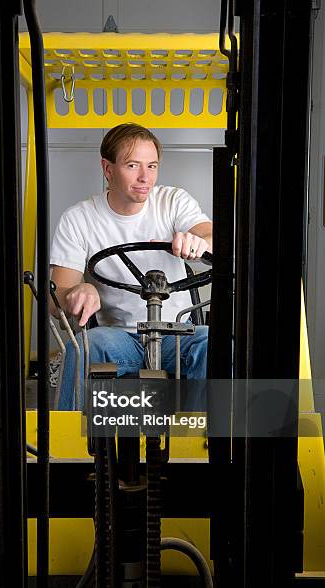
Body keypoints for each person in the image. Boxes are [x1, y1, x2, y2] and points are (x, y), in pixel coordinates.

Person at [50, 123, 213, 410]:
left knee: (216, 344)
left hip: (179, 334)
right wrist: (79, 290)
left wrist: (199, 241)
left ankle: (198, 441)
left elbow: (211, 236)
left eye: (152, 166)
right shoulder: (79, 218)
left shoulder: (173, 202)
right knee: (83, 348)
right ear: (108, 169)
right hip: (120, 336)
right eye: (132, 165)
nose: (144, 177)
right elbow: (58, 295)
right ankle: (67, 449)